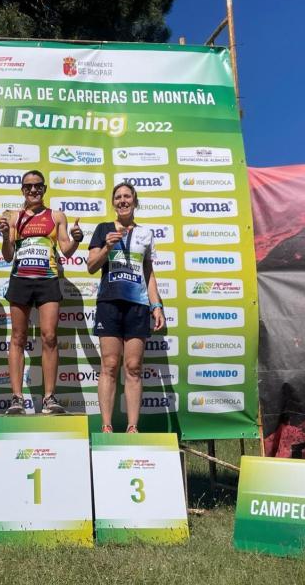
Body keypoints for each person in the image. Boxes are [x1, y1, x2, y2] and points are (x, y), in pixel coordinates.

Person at [0, 170, 84, 415]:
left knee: (49, 337)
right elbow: (7, 255)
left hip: (47, 280)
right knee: (17, 337)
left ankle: (49, 398)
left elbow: (66, 250)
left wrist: (78, 238)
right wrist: (6, 235)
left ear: (44, 189)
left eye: (37, 186)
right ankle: (16, 398)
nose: (33, 190)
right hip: (21, 280)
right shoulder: (14, 217)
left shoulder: (56, 216)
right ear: (22, 190)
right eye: (28, 187)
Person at [87, 182, 165, 433]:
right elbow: (91, 266)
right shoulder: (103, 229)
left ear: (135, 200)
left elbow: (148, 272)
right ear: (113, 202)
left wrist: (156, 305)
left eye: (127, 196)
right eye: (118, 197)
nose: (122, 200)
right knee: (109, 365)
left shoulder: (146, 234)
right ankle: (106, 425)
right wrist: (108, 247)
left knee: (133, 367)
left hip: (138, 305)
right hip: (109, 303)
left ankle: (133, 427)